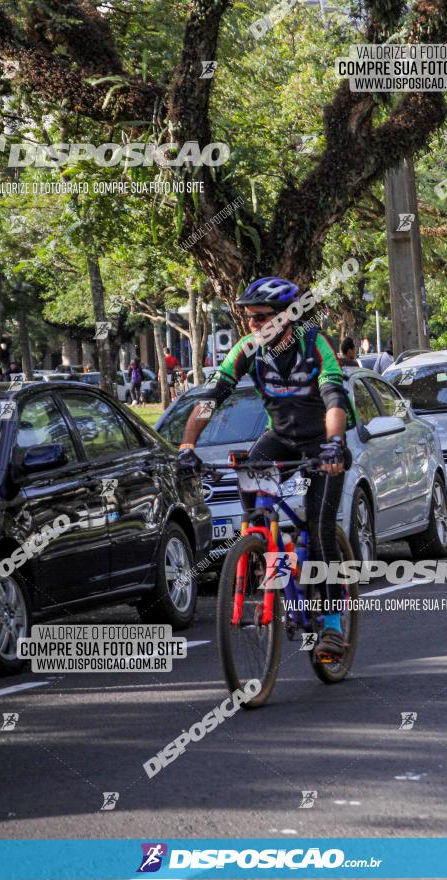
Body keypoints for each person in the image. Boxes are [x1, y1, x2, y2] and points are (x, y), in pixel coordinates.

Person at [177, 276, 357, 662]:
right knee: (256, 509)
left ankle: (331, 623)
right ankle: (268, 558)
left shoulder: (314, 344)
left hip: (322, 442)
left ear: (287, 317)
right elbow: (211, 398)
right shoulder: (246, 350)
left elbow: (334, 398)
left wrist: (334, 444)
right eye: (248, 318)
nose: (252, 325)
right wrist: (188, 445)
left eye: (260, 317)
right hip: (280, 437)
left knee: (321, 527)